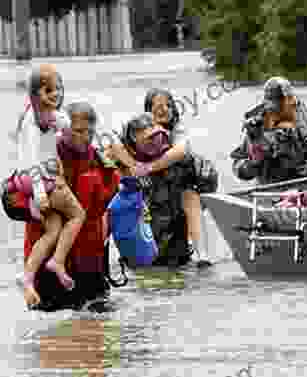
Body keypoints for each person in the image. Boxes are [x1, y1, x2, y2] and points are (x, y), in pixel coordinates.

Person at [23, 101, 121, 311]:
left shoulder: (103, 164)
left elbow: (104, 207)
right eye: (78, 131)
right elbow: (12, 196)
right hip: (47, 271)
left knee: (97, 332)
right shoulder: (41, 157)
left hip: (90, 267)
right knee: (50, 333)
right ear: (63, 129)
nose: (85, 136)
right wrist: (34, 207)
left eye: (90, 131)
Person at [106, 88, 216, 267]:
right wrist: (133, 166)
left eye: (168, 106)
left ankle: (201, 252)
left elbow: (181, 150)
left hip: (175, 200)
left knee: (190, 193)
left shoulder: (177, 132)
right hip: (146, 204)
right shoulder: (136, 128)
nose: (164, 109)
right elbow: (112, 147)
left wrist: (148, 168)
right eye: (158, 107)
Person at [11, 64, 87, 308]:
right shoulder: (32, 124)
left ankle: (27, 277)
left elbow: (65, 125)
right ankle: (57, 260)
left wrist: (60, 122)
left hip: (29, 180)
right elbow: (33, 160)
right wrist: (40, 192)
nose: (55, 94)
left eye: (58, 89)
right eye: (48, 90)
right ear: (35, 94)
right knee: (77, 215)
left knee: (53, 230)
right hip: (38, 180)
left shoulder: (47, 116)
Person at [229, 76, 307, 185]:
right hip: (266, 191)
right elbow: (237, 164)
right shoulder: (258, 127)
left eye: (281, 104)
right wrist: (251, 165)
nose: (276, 112)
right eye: (272, 107)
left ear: (291, 102)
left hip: (303, 189)